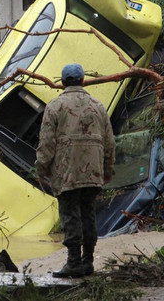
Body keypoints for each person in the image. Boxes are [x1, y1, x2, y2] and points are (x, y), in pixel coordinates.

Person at [35, 63, 115, 278]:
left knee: (70, 215)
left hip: (66, 172)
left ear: (62, 83)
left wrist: (41, 168)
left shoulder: (54, 107)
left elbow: (46, 143)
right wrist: (107, 170)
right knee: (88, 213)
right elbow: (109, 143)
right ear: (82, 81)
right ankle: (87, 262)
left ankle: (73, 263)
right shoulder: (98, 106)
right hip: (93, 173)